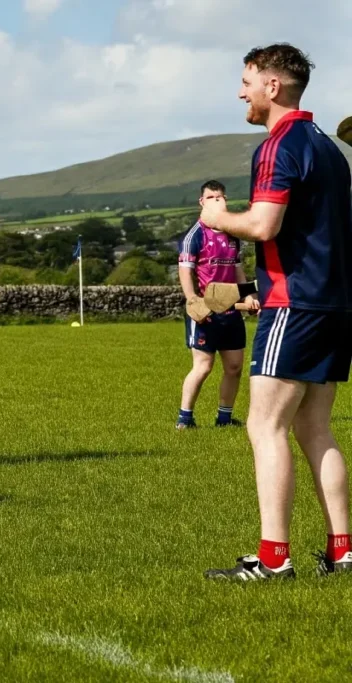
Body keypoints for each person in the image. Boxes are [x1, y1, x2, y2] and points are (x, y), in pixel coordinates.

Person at [200, 44, 352, 580]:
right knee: (316, 427)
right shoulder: (330, 147)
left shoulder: (279, 145)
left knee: (265, 427)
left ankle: (273, 560)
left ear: (273, 87)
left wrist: (218, 217)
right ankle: (343, 550)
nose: (240, 91)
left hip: (295, 302)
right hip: (335, 304)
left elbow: (265, 225)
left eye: (246, 80)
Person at [176, 180, 259, 430]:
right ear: (202, 202)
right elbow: (185, 272)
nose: (216, 201)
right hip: (205, 313)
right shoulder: (195, 235)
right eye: (211, 197)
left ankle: (224, 418)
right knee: (203, 367)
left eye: (219, 196)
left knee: (234, 367)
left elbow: (237, 271)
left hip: (231, 312)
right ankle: (185, 419)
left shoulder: (232, 235)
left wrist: (247, 297)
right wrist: (193, 302)